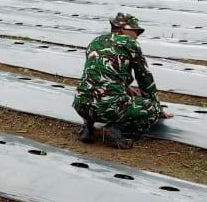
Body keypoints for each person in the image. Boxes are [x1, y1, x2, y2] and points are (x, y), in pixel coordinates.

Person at [73, 12, 173, 149]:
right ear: (123, 29)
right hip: (108, 108)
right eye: (135, 31)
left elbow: (98, 74)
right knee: (151, 109)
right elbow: (144, 79)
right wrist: (158, 109)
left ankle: (88, 127)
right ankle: (117, 127)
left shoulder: (95, 41)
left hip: (81, 105)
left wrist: (125, 86)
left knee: (95, 95)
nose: (137, 35)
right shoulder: (130, 43)